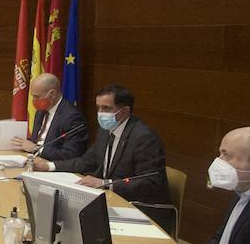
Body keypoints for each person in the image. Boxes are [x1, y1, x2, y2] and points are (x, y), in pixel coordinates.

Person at [32, 84, 169, 204]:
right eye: (98, 108)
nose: (100, 113)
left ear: (125, 111)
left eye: (106, 108)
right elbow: (86, 162)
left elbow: (150, 182)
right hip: (109, 197)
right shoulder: (105, 130)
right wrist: (49, 166)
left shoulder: (143, 137)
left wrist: (106, 184)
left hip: (137, 204)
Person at [11, 73, 88, 161]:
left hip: (52, 164)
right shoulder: (41, 111)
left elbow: (72, 154)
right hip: (34, 159)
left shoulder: (72, 117)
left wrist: (37, 149)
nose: (33, 101)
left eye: (36, 97)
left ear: (52, 94)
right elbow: (37, 141)